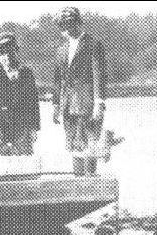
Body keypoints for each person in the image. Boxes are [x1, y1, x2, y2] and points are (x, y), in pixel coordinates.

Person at [53, 7, 106, 176]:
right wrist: (56, 106)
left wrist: (99, 103)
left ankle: (90, 185)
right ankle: (78, 184)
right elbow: (58, 80)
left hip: (87, 103)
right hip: (67, 106)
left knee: (89, 144)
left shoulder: (93, 44)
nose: (65, 30)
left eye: (68, 25)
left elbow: (99, 74)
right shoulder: (60, 49)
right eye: (62, 26)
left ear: (78, 23)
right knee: (73, 144)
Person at [0, 33, 40, 156]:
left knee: (24, 163)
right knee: (4, 164)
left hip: (23, 127)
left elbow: (33, 102)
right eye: (1, 53)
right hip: (2, 126)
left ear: (15, 51)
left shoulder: (26, 73)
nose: (6, 57)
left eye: (9, 52)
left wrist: (34, 127)